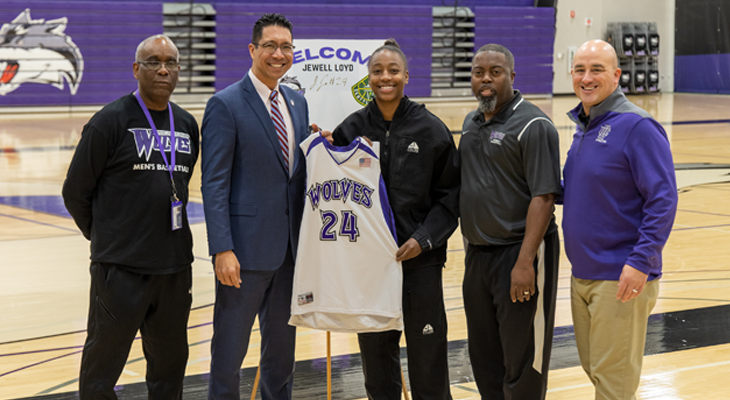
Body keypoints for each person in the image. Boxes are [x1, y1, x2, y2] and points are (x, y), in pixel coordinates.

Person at [62, 34, 198, 398]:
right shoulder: (109, 121)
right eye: (153, 61)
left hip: (173, 268)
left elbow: (179, 183)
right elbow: (75, 192)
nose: (163, 69)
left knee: (170, 366)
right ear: (136, 69)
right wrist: (107, 237)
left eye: (171, 62)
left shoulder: (186, 124)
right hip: (120, 268)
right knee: (102, 367)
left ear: (179, 71)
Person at [328, 38, 460, 400]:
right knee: (375, 360)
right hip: (370, 269)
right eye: (377, 71)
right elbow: (332, 192)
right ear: (368, 78)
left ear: (406, 76)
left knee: (428, 358)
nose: (385, 77)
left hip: (420, 265)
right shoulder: (350, 129)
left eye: (393, 71)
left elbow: (450, 198)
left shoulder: (431, 130)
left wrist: (423, 239)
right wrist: (322, 150)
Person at [200, 13, 309, 400]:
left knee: (281, 355)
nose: (278, 54)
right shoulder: (225, 104)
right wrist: (222, 248)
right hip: (243, 255)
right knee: (229, 354)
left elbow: (296, 174)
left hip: (290, 253)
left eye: (286, 47)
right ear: (253, 49)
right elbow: (213, 183)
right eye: (270, 46)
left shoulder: (297, 101)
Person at [563, 39, 677, 400]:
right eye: (580, 69)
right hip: (583, 273)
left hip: (620, 276)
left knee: (613, 385)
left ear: (616, 75)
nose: (586, 77)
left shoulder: (637, 126)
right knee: (597, 371)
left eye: (596, 69)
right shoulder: (585, 125)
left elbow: (663, 199)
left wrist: (640, 262)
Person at [458, 43, 561, 399]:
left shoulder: (534, 124)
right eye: (478, 72)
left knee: (522, 359)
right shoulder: (470, 124)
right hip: (478, 257)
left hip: (520, 255)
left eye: (495, 72)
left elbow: (544, 197)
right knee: (484, 357)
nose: (485, 79)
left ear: (512, 77)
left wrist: (524, 263)